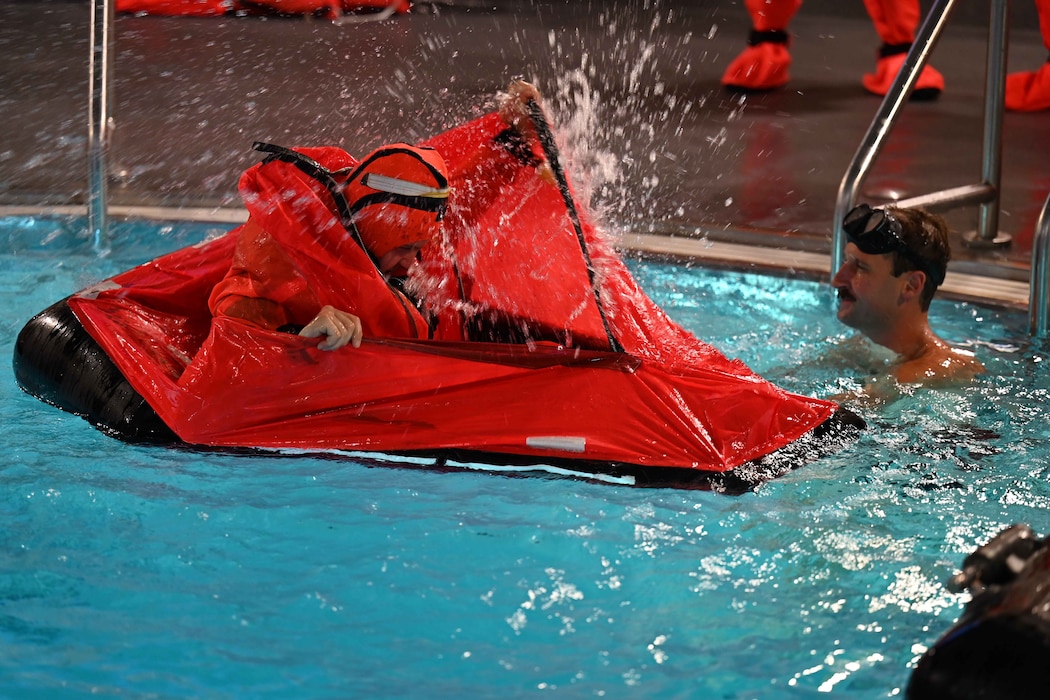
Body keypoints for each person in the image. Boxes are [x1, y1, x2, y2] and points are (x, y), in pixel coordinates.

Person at [209, 80, 549, 351]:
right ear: (379, 229)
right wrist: (298, 336)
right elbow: (233, 326)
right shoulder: (284, 245)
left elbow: (462, 202)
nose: (412, 260)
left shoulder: (387, 221)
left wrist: (513, 141)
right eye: (405, 247)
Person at [831, 204, 984, 385]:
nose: (837, 280)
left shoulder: (941, 370)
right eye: (846, 261)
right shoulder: (857, 350)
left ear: (911, 285)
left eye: (861, 267)